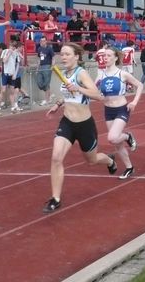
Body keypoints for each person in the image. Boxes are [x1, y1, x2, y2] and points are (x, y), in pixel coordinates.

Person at [42, 42, 117, 213]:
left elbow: (98, 95)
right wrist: (58, 104)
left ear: (76, 56)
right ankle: (56, 198)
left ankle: (110, 160)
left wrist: (79, 88)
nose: (64, 57)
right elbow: (67, 94)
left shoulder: (81, 73)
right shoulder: (65, 73)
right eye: (62, 54)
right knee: (56, 158)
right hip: (67, 122)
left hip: (85, 125)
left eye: (67, 54)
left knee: (92, 161)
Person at [97, 47, 144, 179]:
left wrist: (134, 102)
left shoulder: (122, 74)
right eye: (104, 56)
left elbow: (139, 85)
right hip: (108, 111)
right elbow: (93, 89)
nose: (105, 58)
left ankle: (128, 136)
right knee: (116, 143)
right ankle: (129, 167)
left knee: (112, 137)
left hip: (121, 109)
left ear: (116, 58)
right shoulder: (101, 74)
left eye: (109, 56)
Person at [0, 40, 22, 113]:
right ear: (9, 46)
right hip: (5, 73)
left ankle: (13, 107)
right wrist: (8, 54)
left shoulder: (16, 54)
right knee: (3, 90)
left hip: (12, 74)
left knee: (12, 91)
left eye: (14, 47)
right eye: (11, 46)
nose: (12, 48)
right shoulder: (5, 51)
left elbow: (17, 65)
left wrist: (15, 74)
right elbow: (4, 61)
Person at [36, 36, 55, 106]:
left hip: (47, 66)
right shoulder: (39, 49)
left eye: (43, 41)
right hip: (41, 66)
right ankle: (50, 94)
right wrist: (37, 68)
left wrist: (52, 66)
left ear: (46, 41)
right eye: (41, 41)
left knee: (46, 84)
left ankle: (47, 100)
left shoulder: (49, 48)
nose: (42, 42)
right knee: (39, 83)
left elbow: (53, 58)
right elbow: (38, 59)